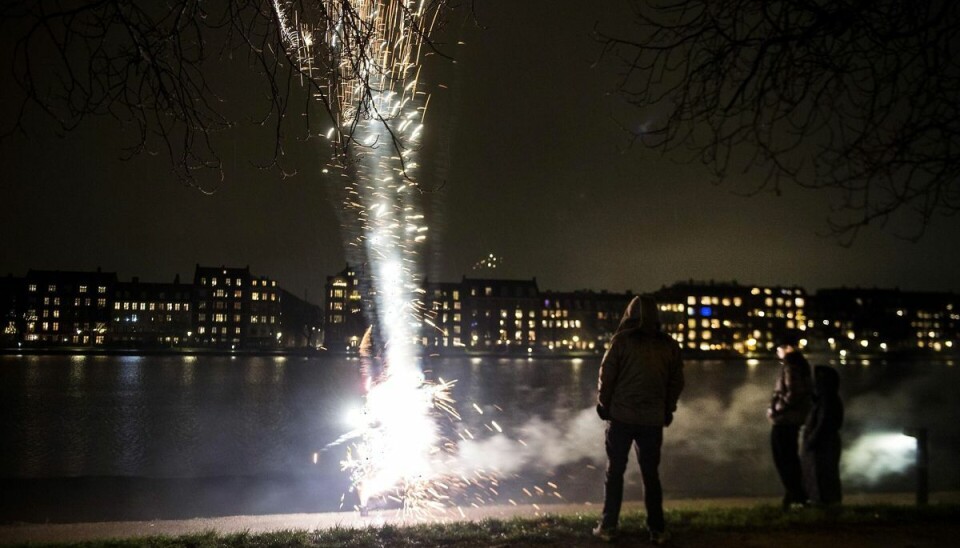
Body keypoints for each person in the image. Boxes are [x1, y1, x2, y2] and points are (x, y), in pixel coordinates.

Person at [593, 295, 684, 544]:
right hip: (652, 420)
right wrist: (668, 409)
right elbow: (676, 382)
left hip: (621, 417)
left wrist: (604, 405)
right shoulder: (668, 345)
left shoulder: (621, 341)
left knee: (615, 472)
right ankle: (657, 529)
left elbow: (606, 375)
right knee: (650, 474)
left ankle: (608, 526)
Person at [767, 335, 813, 510]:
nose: (777, 352)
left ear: (786, 348)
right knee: (789, 458)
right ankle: (795, 496)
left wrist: (776, 409)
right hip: (794, 419)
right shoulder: (801, 365)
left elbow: (794, 393)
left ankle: (796, 496)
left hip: (786, 420)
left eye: (779, 349)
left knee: (784, 458)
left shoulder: (791, 366)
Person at [801, 365, 844, 507]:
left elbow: (823, 424)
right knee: (823, 476)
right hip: (823, 444)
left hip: (822, 446)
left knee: (822, 476)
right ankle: (826, 504)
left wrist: (811, 441)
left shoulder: (827, 400)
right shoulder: (827, 398)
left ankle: (823, 505)